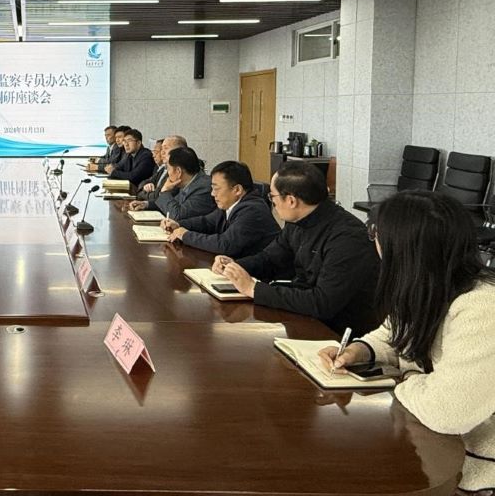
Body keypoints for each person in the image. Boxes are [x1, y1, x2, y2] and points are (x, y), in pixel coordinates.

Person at [317, 191, 495, 493]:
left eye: (376, 235)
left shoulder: (482, 308)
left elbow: (449, 412)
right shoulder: (427, 283)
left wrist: (406, 377)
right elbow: (393, 333)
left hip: (473, 473)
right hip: (429, 445)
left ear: (404, 249)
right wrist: (359, 350)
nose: (374, 243)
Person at [213, 160, 380, 335]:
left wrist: (254, 289)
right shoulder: (296, 221)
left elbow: (322, 303)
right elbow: (270, 259)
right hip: (303, 316)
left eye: (272, 197)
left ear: (291, 200)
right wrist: (234, 266)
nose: (272, 203)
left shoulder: (347, 237)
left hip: (339, 332)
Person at [165, 160, 279, 258]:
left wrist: (185, 235)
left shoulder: (253, 210)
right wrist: (178, 224)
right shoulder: (231, 205)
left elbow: (225, 244)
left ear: (237, 190)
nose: (212, 194)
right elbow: (207, 222)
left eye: (216, 189)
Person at [153, 146, 216, 221]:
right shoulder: (187, 183)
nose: (168, 174)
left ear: (178, 171)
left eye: (168, 169)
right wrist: (146, 205)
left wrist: (164, 191)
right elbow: (173, 204)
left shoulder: (204, 188)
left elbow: (177, 215)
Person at [130, 134, 187, 209]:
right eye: (162, 149)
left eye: (166, 148)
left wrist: (143, 195)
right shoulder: (164, 168)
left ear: (179, 151)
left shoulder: (178, 171)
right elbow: (144, 183)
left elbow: (159, 198)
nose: (162, 153)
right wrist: (144, 190)